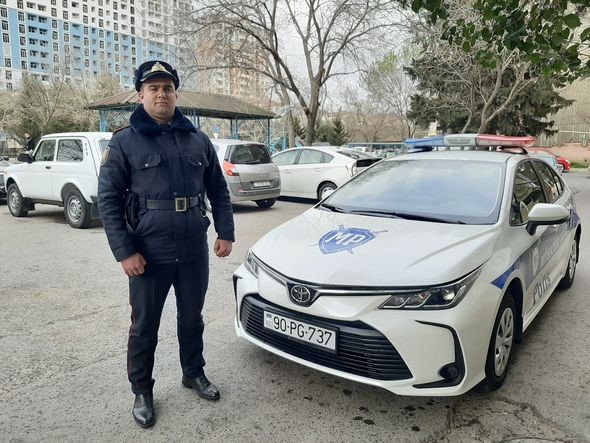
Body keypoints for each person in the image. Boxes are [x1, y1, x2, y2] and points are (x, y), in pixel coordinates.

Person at [97, 60, 234, 428]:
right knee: (145, 326)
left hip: (192, 250)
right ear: (141, 95)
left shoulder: (198, 139)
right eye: (153, 88)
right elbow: (108, 200)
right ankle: (142, 389)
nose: (161, 94)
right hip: (148, 253)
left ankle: (193, 372)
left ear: (176, 94)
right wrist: (124, 252)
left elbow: (218, 190)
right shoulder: (124, 141)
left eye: (167, 88)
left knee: (192, 319)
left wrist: (225, 231)